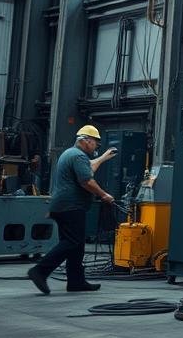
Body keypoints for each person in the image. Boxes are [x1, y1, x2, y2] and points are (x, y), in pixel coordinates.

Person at [27, 125, 119, 294]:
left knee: (76, 245)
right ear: (86, 140)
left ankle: (76, 281)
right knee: (72, 242)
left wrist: (104, 157)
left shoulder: (70, 154)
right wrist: (104, 195)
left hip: (62, 206)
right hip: (71, 206)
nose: (96, 147)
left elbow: (88, 168)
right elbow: (87, 180)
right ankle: (40, 271)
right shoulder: (78, 156)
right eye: (95, 143)